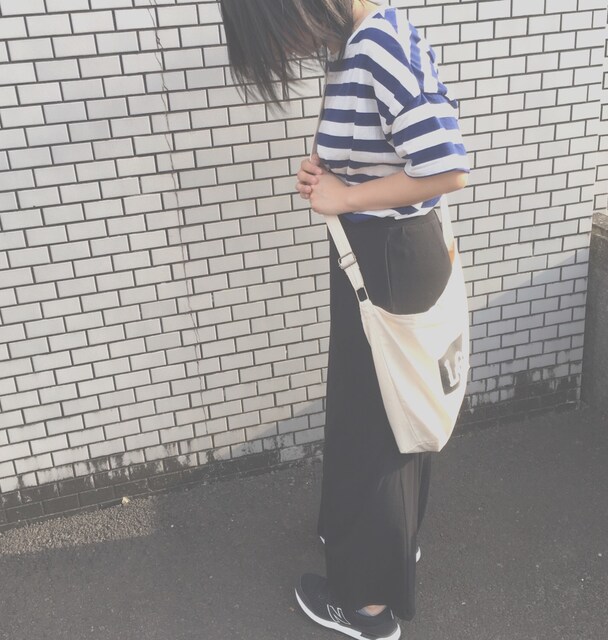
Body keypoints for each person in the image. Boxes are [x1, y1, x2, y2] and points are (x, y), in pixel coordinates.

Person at [218, 1, 470, 638]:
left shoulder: (375, 42)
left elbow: (446, 168)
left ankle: (367, 609)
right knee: (392, 418)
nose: (289, 47)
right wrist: (327, 172)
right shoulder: (361, 38)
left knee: (374, 429)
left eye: (279, 30)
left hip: (386, 258)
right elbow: (388, 148)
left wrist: (346, 194)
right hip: (381, 257)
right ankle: (393, 549)